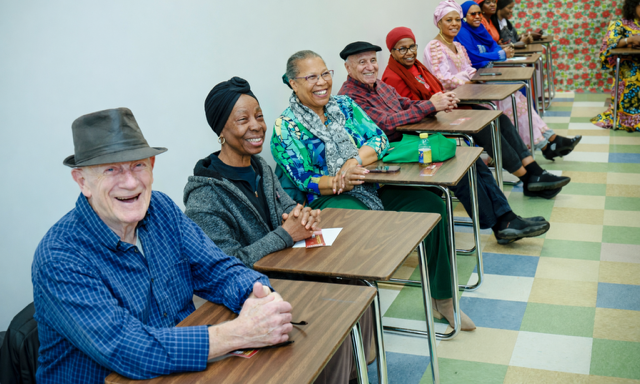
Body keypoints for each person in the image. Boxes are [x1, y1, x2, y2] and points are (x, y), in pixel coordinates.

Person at [32, 108, 293, 384]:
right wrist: (241, 332)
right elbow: (129, 349)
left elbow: (218, 268)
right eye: (111, 170)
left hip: (184, 369)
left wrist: (260, 299)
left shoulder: (161, 209)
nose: (131, 183)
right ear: (82, 181)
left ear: (152, 166)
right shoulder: (59, 257)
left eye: (138, 165)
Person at [271, 50, 477, 331]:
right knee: (364, 225)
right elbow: (302, 179)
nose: (321, 82)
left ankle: (443, 299)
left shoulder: (344, 105)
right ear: (294, 83)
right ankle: (358, 324)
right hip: (327, 200)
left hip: (370, 184)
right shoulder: (286, 126)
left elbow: (378, 138)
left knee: (434, 207)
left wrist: (353, 162)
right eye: (311, 77)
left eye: (324, 74)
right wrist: (340, 180)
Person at [183, 77, 366, 384]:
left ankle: (353, 370)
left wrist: (303, 217)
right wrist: (286, 234)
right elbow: (225, 266)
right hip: (247, 298)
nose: (257, 126)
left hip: (285, 273)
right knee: (335, 309)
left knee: (356, 287)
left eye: (259, 116)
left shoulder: (259, 168)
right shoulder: (204, 197)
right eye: (243, 120)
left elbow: (289, 210)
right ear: (221, 131)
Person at [337, 41, 550, 243]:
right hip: (384, 156)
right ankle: (501, 223)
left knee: (470, 157)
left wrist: (436, 103)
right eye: (362, 62)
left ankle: (506, 218)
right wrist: (430, 106)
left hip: (406, 143)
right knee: (459, 166)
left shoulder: (379, 85)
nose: (370, 67)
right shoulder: (349, 96)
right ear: (348, 67)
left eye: (373, 60)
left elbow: (405, 104)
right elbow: (385, 124)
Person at [382, 21, 570, 199]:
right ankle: (528, 178)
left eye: (412, 46)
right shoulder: (393, 77)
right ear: (392, 51)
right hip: (429, 124)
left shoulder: (417, 66)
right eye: (402, 48)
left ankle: (533, 169)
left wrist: (445, 99)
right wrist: (437, 104)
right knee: (485, 127)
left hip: (442, 111)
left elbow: (437, 88)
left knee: (498, 118)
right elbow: (408, 111)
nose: (409, 52)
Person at [455, 0, 582, 159]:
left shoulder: (480, 28)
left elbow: (493, 46)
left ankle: (549, 141)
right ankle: (548, 143)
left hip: (487, 73)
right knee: (513, 100)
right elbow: (474, 57)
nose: (477, 16)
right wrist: (499, 55)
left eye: (479, 13)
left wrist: (497, 53)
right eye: (472, 14)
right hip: (476, 82)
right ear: (464, 17)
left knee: (519, 98)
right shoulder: (462, 32)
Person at [591, 0, 640, 131]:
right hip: (630, 64)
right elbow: (609, 44)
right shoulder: (620, 24)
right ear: (633, 7)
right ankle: (629, 118)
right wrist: (629, 40)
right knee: (632, 76)